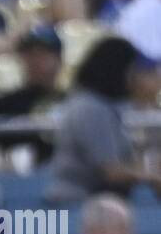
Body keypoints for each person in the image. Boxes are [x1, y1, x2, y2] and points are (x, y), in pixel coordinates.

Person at [47, 37, 161, 202]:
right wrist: (152, 177)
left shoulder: (104, 106)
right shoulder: (90, 108)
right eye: (133, 71)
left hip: (95, 200)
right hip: (77, 203)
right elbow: (111, 172)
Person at [0, 26, 65, 167]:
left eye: (43, 53)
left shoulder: (75, 103)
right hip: (16, 180)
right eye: (29, 54)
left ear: (59, 58)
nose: (35, 61)